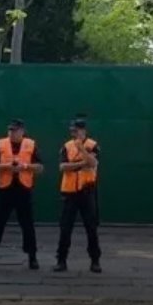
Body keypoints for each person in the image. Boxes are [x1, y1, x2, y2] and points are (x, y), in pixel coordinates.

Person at [0, 119, 43, 270]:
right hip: (5, 191)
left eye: (15, 130)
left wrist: (25, 166)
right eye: (10, 130)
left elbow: (40, 167)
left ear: (22, 131)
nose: (12, 133)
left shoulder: (31, 144)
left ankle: (32, 257)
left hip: (24, 190)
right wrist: (7, 166)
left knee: (28, 225)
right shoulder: (0, 144)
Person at [54, 116, 102, 274]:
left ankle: (95, 261)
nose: (73, 133)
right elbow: (63, 167)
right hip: (70, 192)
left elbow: (93, 163)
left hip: (87, 191)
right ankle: (61, 261)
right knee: (65, 228)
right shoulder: (67, 146)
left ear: (83, 130)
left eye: (76, 130)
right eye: (72, 130)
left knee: (91, 228)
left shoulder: (92, 145)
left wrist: (81, 149)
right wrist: (81, 164)